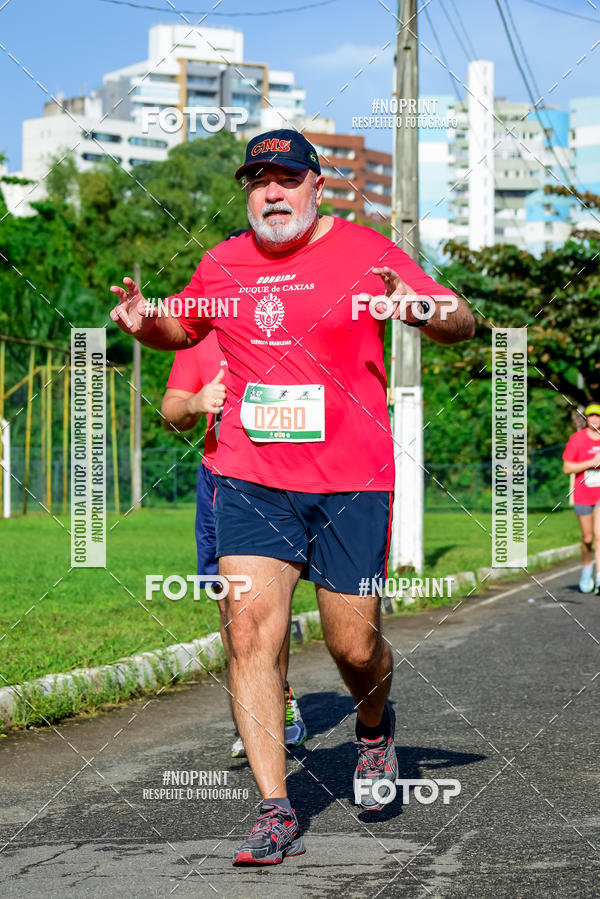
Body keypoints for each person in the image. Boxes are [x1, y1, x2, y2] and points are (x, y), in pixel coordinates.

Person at [110, 128, 475, 866]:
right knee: (249, 631)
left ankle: (373, 728)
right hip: (251, 477)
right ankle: (275, 805)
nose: (270, 192)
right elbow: (183, 327)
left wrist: (426, 312)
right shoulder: (221, 262)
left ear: (316, 185)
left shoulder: (369, 251)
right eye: (257, 180)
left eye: (284, 178)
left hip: (352, 478)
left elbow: (460, 320)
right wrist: (146, 321)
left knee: (352, 642)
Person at [161, 330, 307, 757]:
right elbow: (171, 411)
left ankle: (275, 700)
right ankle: (260, 709)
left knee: (270, 599)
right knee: (231, 604)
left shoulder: (288, 322)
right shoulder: (199, 338)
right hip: (219, 477)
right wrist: (194, 402)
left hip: (290, 474)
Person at [562, 403, 600, 593]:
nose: (594, 420)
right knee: (588, 538)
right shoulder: (577, 439)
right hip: (583, 495)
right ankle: (587, 568)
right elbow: (567, 468)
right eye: (591, 416)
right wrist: (590, 463)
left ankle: (599, 578)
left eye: (598, 416)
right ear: (586, 419)